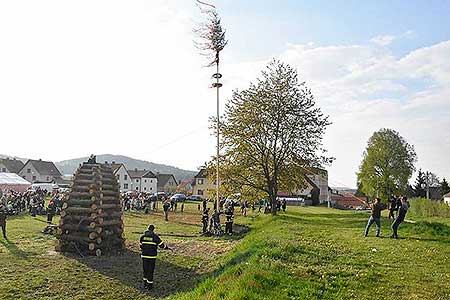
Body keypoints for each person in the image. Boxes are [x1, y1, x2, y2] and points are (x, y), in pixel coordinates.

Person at [140, 224, 169, 290]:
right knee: (150, 271)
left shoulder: (142, 237)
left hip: (144, 256)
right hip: (152, 257)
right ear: (153, 229)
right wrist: (166, 247)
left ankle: (145, 284)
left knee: (145, 270)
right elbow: (161, 245)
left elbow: (141, 246)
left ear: (148, 229)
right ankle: (150, 286)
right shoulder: (155, 237)